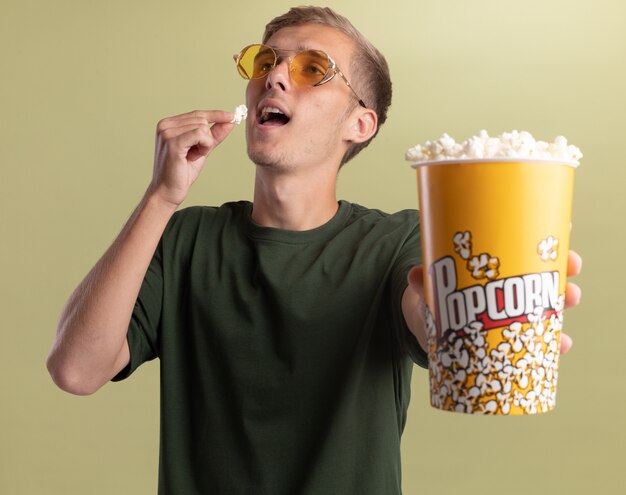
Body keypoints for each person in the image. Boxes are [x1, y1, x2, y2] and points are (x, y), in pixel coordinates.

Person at [46, 6, 582, 494]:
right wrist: (161, 196)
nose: (274, 75)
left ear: (359, 123)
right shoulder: (185, 237)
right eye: (266, 61)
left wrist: (484, 315)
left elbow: (430, 323)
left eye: (311, 69)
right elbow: (76, 370)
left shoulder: (396, 241)